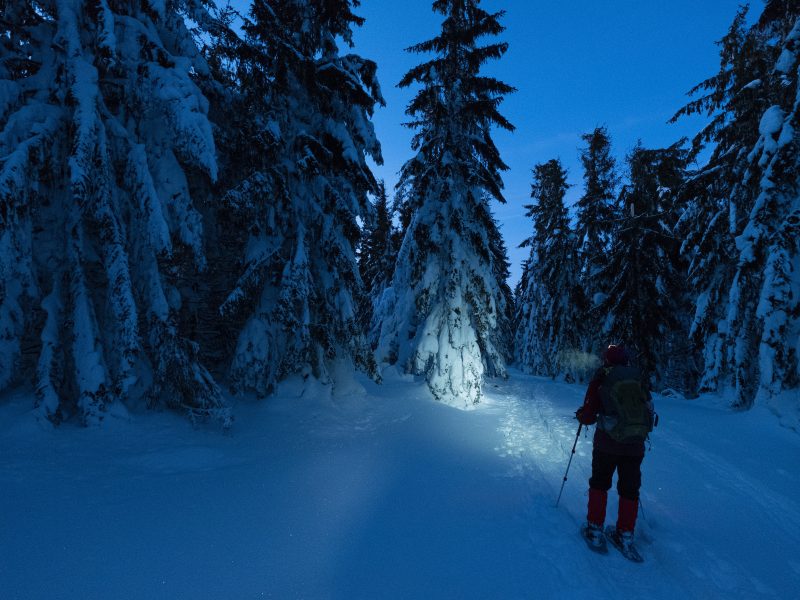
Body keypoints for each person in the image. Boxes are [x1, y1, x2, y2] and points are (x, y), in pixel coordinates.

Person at [576, 344, 655, 554]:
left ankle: (595, 528)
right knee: (629, 489)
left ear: (606, 360)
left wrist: (581, 415)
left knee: (600, 483)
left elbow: (589, 415)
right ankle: (625, 534)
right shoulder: (638, 378)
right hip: (635, 445)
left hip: (607, 444)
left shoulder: (602, 378)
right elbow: (649, 410)